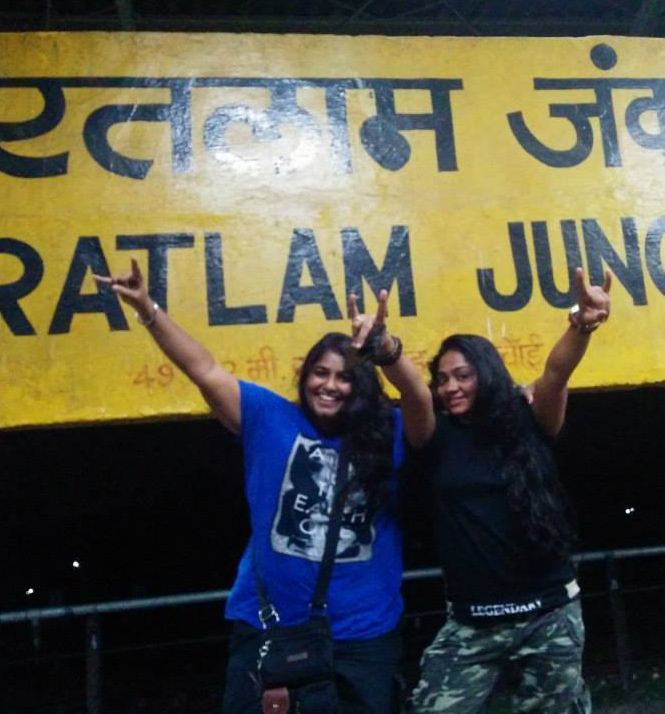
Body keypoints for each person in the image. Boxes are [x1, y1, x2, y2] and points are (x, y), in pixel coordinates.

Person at [95, 259, 429, 714]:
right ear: (305, 376)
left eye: (345, 377)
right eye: (321, 372)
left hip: (362, 639)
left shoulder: (388, 431)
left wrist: (384, 347)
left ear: (363, 386)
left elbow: (420, 402)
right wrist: (148, 309)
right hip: (267, 630)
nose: (329, 385)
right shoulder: (270, 418)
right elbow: (204, 368)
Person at [392, 267, 613, 714]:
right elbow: (411, 388)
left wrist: (583, 322)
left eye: (463, 375)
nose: (450, 386)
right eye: (443, 378)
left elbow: (555, 371)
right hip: (473, 624)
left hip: (549, 615)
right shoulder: (433, 437)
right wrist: (385, 349)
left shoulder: (531, 420)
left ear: (487, 374)